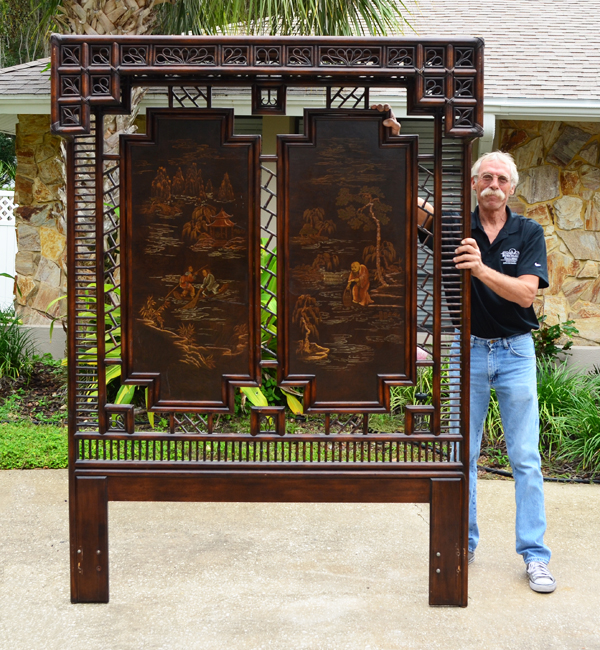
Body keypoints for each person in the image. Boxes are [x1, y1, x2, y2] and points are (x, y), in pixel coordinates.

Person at [372, 103, 556, 594]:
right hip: (467, 351)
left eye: (501, 178)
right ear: (474, 185)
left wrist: (479, 268)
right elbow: (410, 203)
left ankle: (535, 555)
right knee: (462, 455)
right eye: (485, 177)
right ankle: (464, 544)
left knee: (525, 458)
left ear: (511, 188)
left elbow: (524, 293)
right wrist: (395, 144)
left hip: (515, 352)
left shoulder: (528, 232)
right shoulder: (454, 226)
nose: (493, 184)